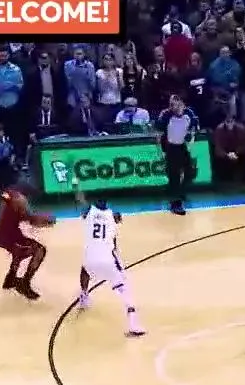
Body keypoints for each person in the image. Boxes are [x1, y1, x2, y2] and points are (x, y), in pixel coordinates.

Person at [73, 182, 145, 337]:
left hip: (90, 259)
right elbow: (114, 240)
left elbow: (80, 199)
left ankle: (84, 296)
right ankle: (134, 324)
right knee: (125, 289)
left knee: (84, 270)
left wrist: (76, 186)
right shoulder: (114, 214)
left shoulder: (89, 211)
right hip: (107, 260)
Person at [0, 184, 54, 301]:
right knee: (40, 250)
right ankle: (25, 283)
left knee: (20, 250)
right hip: (8, 236)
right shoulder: (20, 200)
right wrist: (45, 221)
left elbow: (11, 212)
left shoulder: (8, 194)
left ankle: (10, 278)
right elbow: (30, 220)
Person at [155, 95, 199, 215]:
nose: (175, 107)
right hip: (171, 147)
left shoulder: (189, 113)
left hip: (183, 146)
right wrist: (160, 151)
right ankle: (176, 204)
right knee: (174, 175)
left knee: (190, 172)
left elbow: (194, 128)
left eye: (177, 105)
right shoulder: (165, 115)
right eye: (172, 105)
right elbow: (158, 134)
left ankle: (179, 192)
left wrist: (191, 142)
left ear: (183, 104)